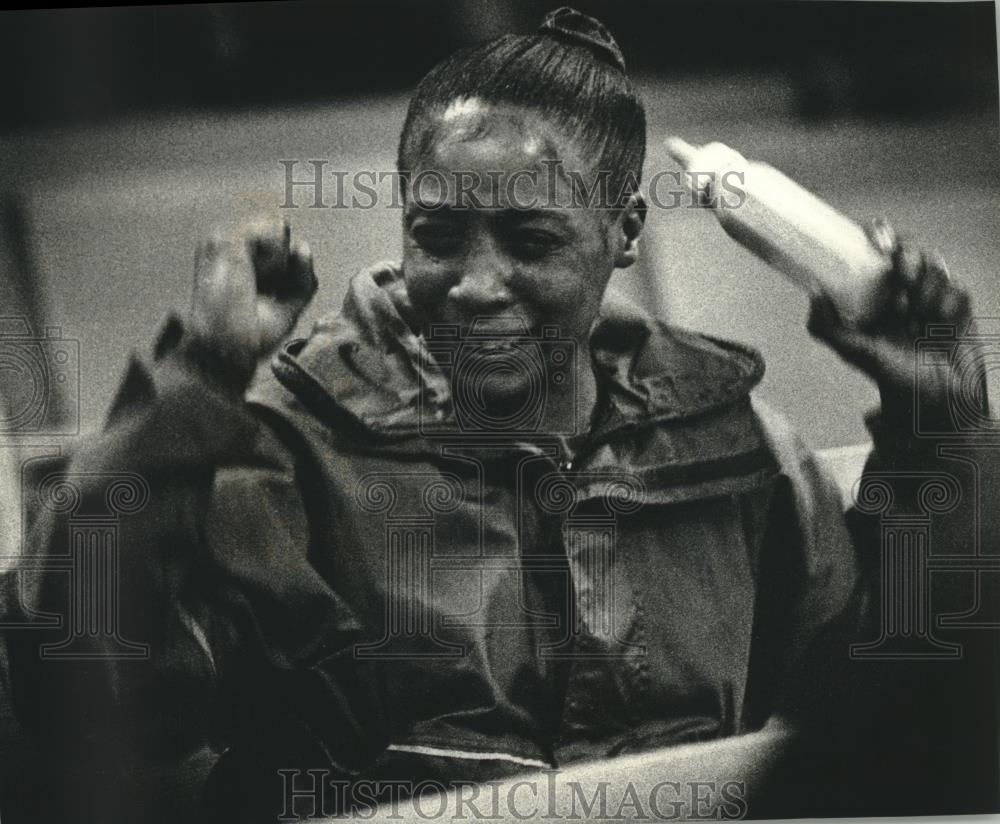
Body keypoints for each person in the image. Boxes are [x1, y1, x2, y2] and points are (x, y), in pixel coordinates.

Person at [3, 7, 995, 823]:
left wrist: (941, 417)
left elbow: (894, 712)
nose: (476, 286)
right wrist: (199, 381)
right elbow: (80, 688)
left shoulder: (740, 450)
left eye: (529, 238)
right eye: (437, 234)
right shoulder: (281, 445)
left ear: (622, 233)